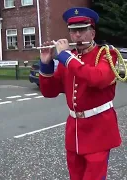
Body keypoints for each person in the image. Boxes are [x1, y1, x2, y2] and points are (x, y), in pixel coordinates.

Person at [39, 7, 121, 180]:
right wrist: (45, 64)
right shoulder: (69, 58)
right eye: (73, 31)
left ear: (92, 33)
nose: (77, 35)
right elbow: (50, 92)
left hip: (99, 131)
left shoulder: (106, 54)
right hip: (74, 131)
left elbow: (98, 79)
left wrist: (66, 57)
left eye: (82, 30)